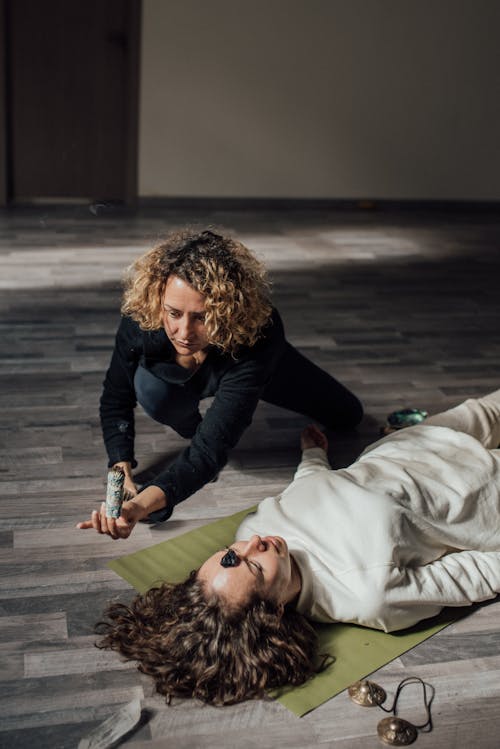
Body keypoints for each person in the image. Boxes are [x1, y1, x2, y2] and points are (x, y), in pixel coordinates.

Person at [95, 389, 500, 706]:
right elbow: (475, 575)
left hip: (423, 441)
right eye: (254, 567)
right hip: (483, 491)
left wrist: (313, 455)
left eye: (231, 554)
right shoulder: (368, 595)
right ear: (273, 612)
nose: (254, 544)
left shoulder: (257, 527)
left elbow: (308, 491)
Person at [78, 228, 362, 538]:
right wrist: (121, 471)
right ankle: (195, 427)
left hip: (253, 363)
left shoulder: (259, 335)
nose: (184, 332)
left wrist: (148, 500)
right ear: (158, 301)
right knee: (150, 389)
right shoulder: (141, 319)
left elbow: (210, 452)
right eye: (174, 313)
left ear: (227, 310)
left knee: (349, 415)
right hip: (177, 379)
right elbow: (116, 397)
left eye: (201, 317)